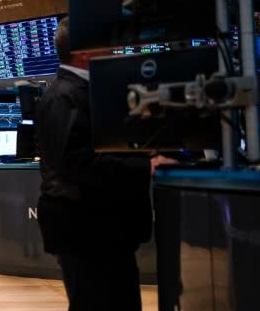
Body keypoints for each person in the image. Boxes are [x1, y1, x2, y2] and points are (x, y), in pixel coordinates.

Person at [36, 17, 176, 311]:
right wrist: (144, 168)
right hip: (86, 230)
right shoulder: (64, 96)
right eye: (104, 45)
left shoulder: (79, 91)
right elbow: (76, 163)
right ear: (84, 53)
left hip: (101, 230)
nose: (113, 50)